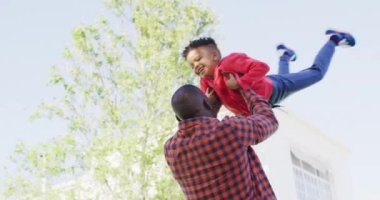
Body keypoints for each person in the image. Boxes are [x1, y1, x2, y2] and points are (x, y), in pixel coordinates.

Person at [182, 29, 356, 116]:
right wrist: (209, 108)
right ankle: (285, 56)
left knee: (316, 73)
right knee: (287, 79)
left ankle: (333, 39)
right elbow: (213, 108)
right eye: (192, 65)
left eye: (198, 59)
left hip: (275, 88)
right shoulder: (206, 83)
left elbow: (262, 67)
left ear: (214, 56)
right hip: (262, 105)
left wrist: (240, 83)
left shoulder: (229, 62)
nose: (196, 65)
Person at [165, 83, 279, 199]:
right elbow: (269, 120)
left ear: (178, 119)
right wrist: (243, 87)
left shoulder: (170, 150)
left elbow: (203, 139)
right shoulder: (229, 130)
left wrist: (208, 109)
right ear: (206, 103)